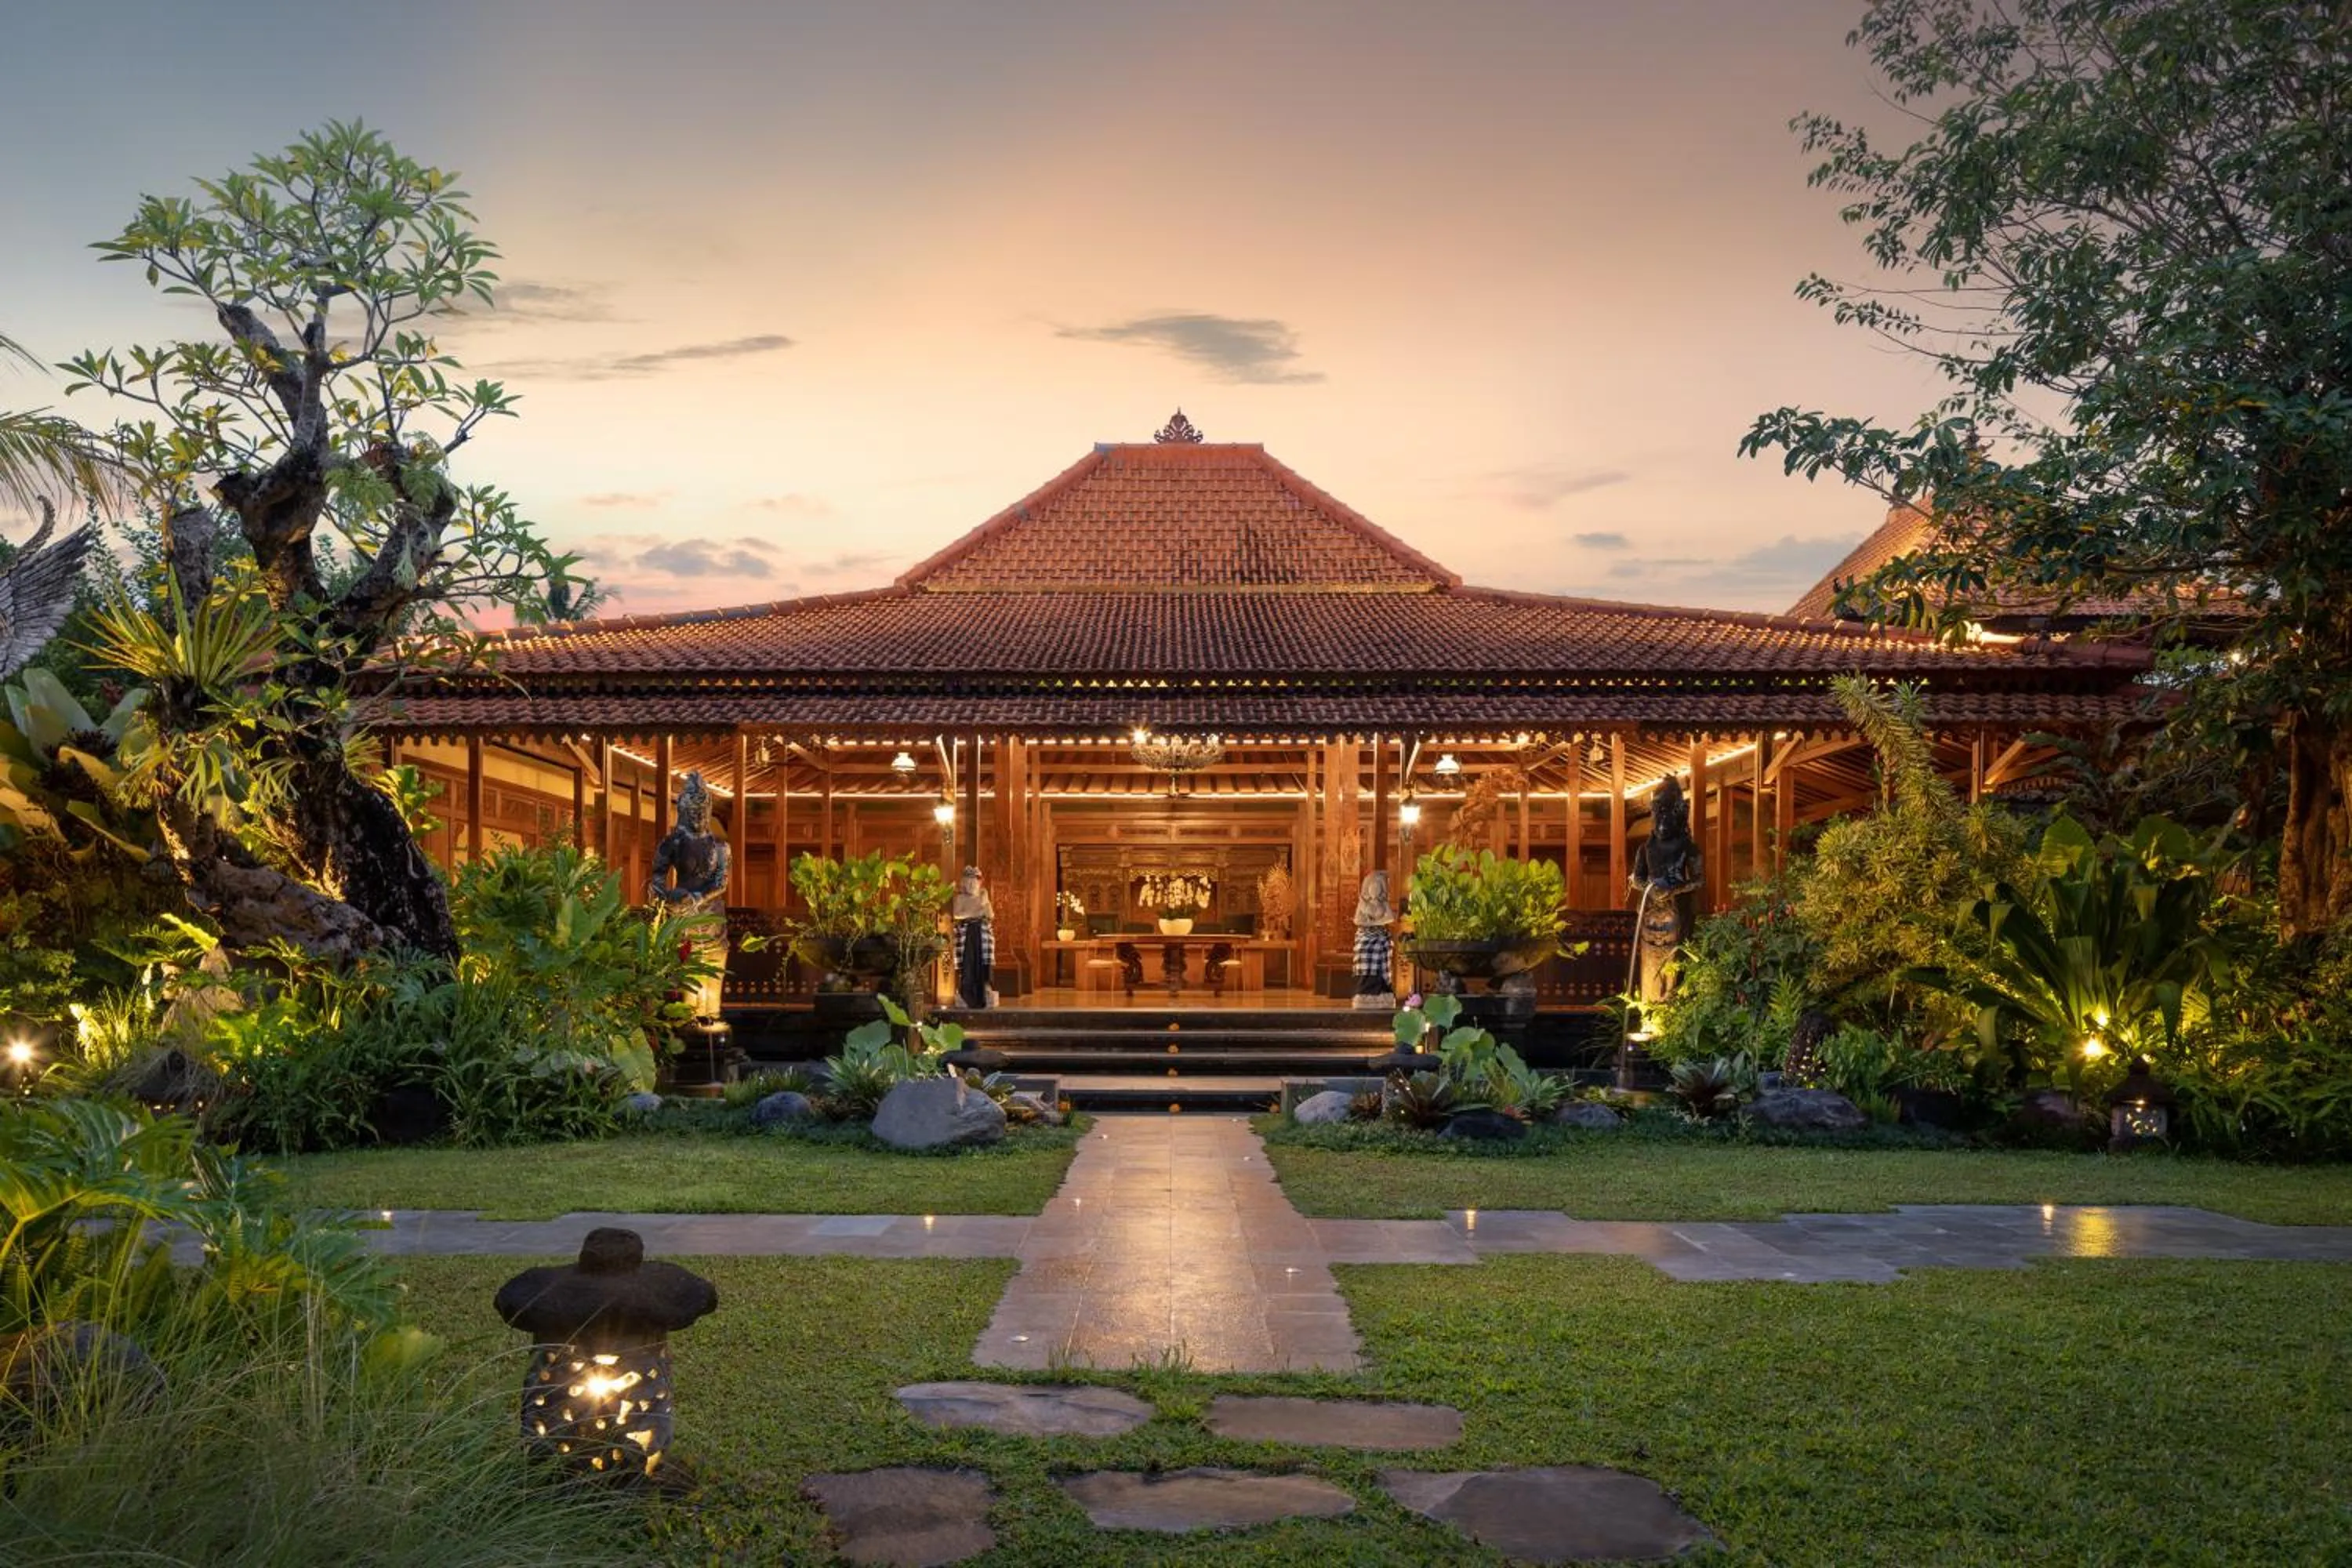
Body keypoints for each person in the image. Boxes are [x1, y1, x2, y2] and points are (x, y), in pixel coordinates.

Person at [1352, 867, 1397, 1010]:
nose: (1375, 892)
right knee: (1363, 949)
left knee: (1381, 949)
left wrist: (1377, 922)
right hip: (1365, 935)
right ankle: (1365, 991)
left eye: (1378, 889)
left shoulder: (1384, 904)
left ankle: (1381, 992)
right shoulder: (1363, 904)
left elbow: (1390, 918)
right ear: (1368, 889)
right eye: (1372, 888)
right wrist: (1370, 922)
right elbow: (1357, 920)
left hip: (1380, 935)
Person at [950, 864, 994, 1009]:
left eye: (975, 880)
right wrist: (977, 911)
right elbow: (957, 914)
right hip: (966, 932)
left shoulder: (983, 894)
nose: (972, 883)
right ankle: (967, 994)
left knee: (982, 964)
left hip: (981, 932)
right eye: (969, 880)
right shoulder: (961, 898)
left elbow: (989, 914)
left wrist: (980, 905)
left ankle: (983, 993)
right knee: (968, 964)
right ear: (964, 882)